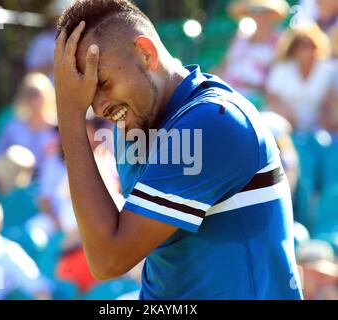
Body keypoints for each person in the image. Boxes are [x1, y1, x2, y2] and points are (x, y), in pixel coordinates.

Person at [53, 0, 302, 299]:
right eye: (87, 96)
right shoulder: (135, 125)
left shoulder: (213, 122)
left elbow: (109, 259)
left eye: (103, 82)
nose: (98, 107)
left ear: (146, 53)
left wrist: (69, 113)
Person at [215, 0, 290, 109]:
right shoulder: (240, 37)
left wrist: (251, 85)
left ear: (272, 15)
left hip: (258, 100)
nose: (258, 15)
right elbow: (224, 66)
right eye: (253, 11)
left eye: (262, 11)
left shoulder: (281, 41)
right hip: (227, 93)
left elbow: (279, 81)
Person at [266, 22, 334, 131]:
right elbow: (272, 98)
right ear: (293, 48)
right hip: (283, 124)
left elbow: (330, 103)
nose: (307, 50)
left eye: (311, 45)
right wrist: (288, 117)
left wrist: (324, 122)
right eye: (302, 45)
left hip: (316, 129)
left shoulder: (328, 70)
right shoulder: (282, 68)